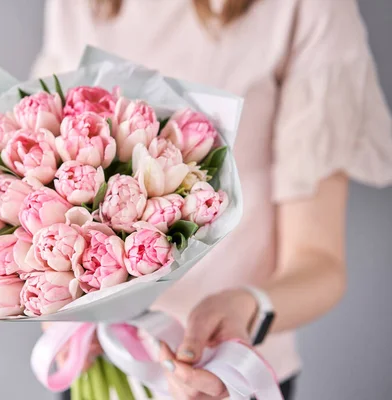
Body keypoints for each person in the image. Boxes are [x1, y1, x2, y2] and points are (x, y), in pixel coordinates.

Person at [33, 0, 392, 398]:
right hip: (94, 368)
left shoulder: (306, 8)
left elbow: (319, 263)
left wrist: (246, 308)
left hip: (225, 374)